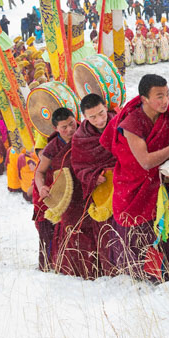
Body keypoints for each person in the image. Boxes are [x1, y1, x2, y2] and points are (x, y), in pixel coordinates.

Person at [100, 74, 169, 280]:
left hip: (163, 183)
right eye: (159, 96)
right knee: (142, 236)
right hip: (135, 185)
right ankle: (148, 275)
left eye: (166, 94)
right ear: (144, 98)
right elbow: (145, 162)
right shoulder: (132, 124)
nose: (165, 101)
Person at [71, 94, 120, 277]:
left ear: (105, 107)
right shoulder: (80, 137)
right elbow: (78, 166)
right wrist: (92, 177)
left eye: (101, 113)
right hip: (102, 190)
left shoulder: (120, 124)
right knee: (107, 230)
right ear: (84, 116)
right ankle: (111, 271)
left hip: (124, 183)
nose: (100, 120)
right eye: (93, 117)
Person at [33, 107, 78, 272]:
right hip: (54, 191)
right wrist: (41, 187)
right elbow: (39, 172)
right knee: (49, 231)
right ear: (56, 129)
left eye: (72, 124)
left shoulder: (85, 135)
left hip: (75, 191)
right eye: (64, 128)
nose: (70, 130)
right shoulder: (52, 147)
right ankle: (50, 266)